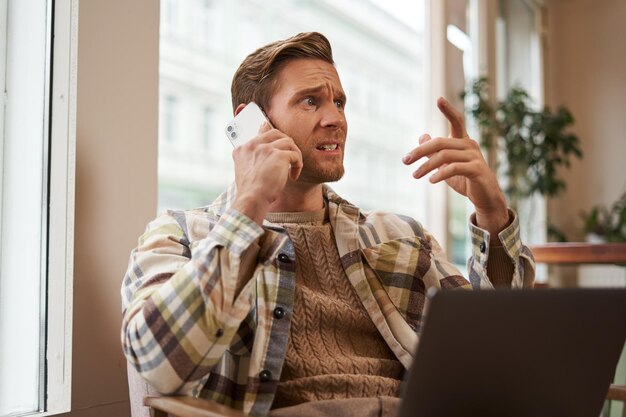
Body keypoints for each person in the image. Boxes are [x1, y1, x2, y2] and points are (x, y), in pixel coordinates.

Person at [121, 32, 535, 417]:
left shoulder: (399, 235)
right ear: (250, 123)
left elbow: (496, 353)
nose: (336, 118)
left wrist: (492, 211)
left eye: (339, 102)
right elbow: (158, 366)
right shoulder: (183, 235)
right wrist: (249, 204)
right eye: (310, 101)